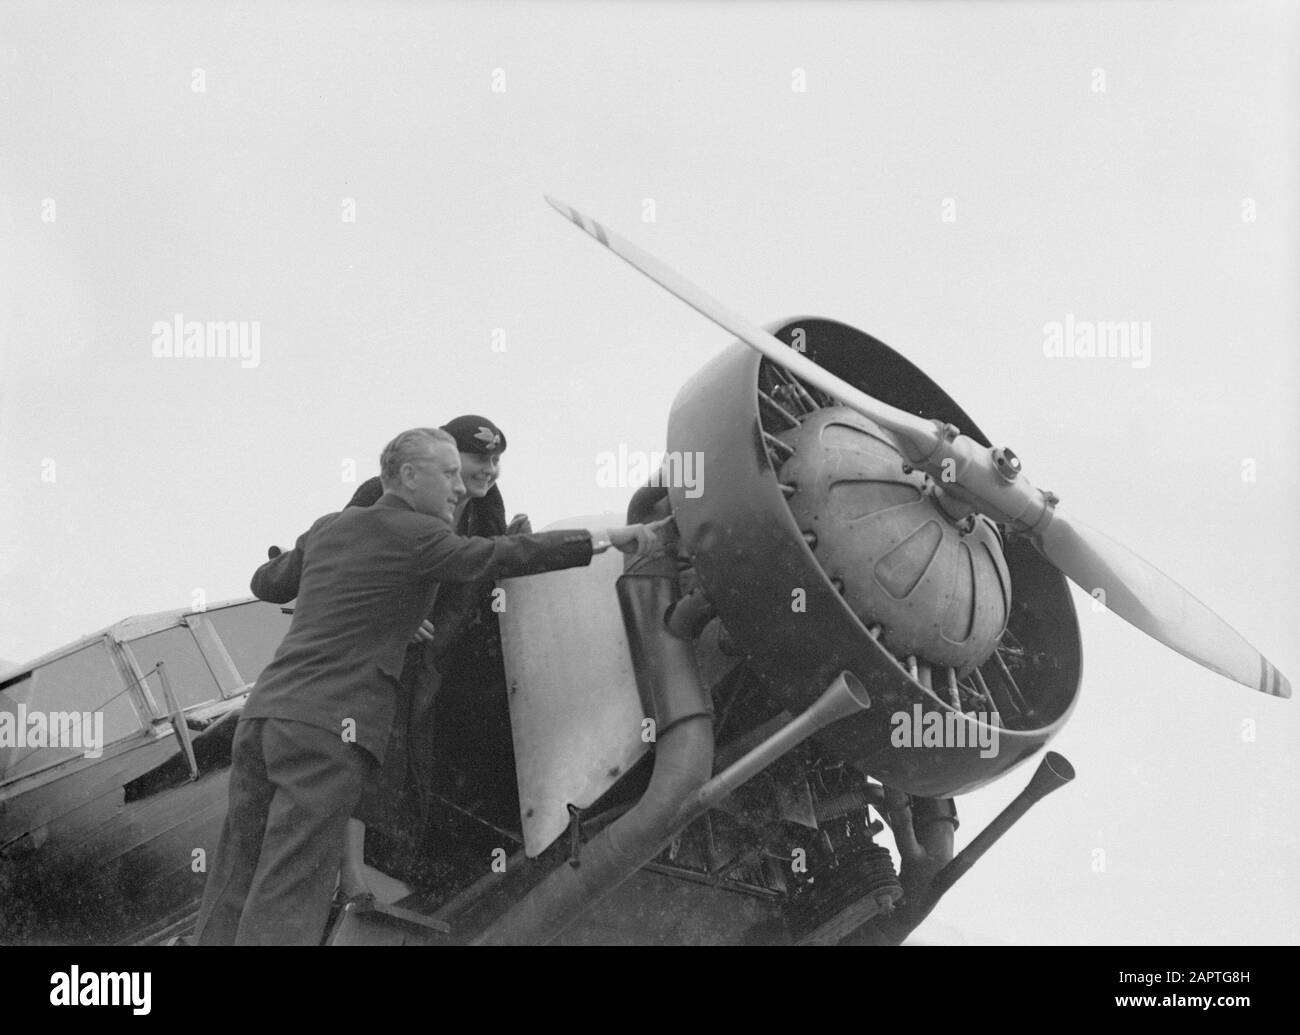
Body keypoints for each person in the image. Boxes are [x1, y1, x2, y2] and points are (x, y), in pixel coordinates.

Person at [194, 427, 661, 945]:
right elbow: (501, 555)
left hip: (263, 720)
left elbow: (269, 583)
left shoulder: (331, 528)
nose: (460, 488)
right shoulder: (420, 537)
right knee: (293, 881)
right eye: (449, 474)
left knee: (236, 871)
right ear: (409, 476)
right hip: (329, 731)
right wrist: (603, 539)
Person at [338, 414, 526, 902]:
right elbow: (350, 562)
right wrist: (394, 615)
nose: (489, 470)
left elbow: (480, 566)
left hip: (436, 657)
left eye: (496, 459)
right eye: (477, 459)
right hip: (382, 651)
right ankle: (352, 873)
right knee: (368, 748)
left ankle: (396, 866)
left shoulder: (488, 505)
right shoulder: (376, 496)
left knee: (415, 760)